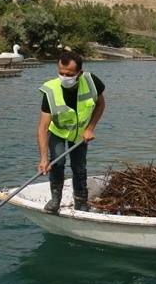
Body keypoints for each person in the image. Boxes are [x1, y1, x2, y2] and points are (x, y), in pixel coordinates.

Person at [38, 50, 106, 213]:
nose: (64, 77)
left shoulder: (91, 81)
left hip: (80, 134)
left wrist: (90, 129)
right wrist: (43, 158)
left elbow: (101, 105)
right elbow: (42, 128)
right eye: (61, 73)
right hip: (59, 132)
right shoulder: (50, 90)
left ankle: (81, 202)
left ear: (80, 73)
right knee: (57, 163)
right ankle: (55, 200)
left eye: (69, 74)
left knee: (79, 167)